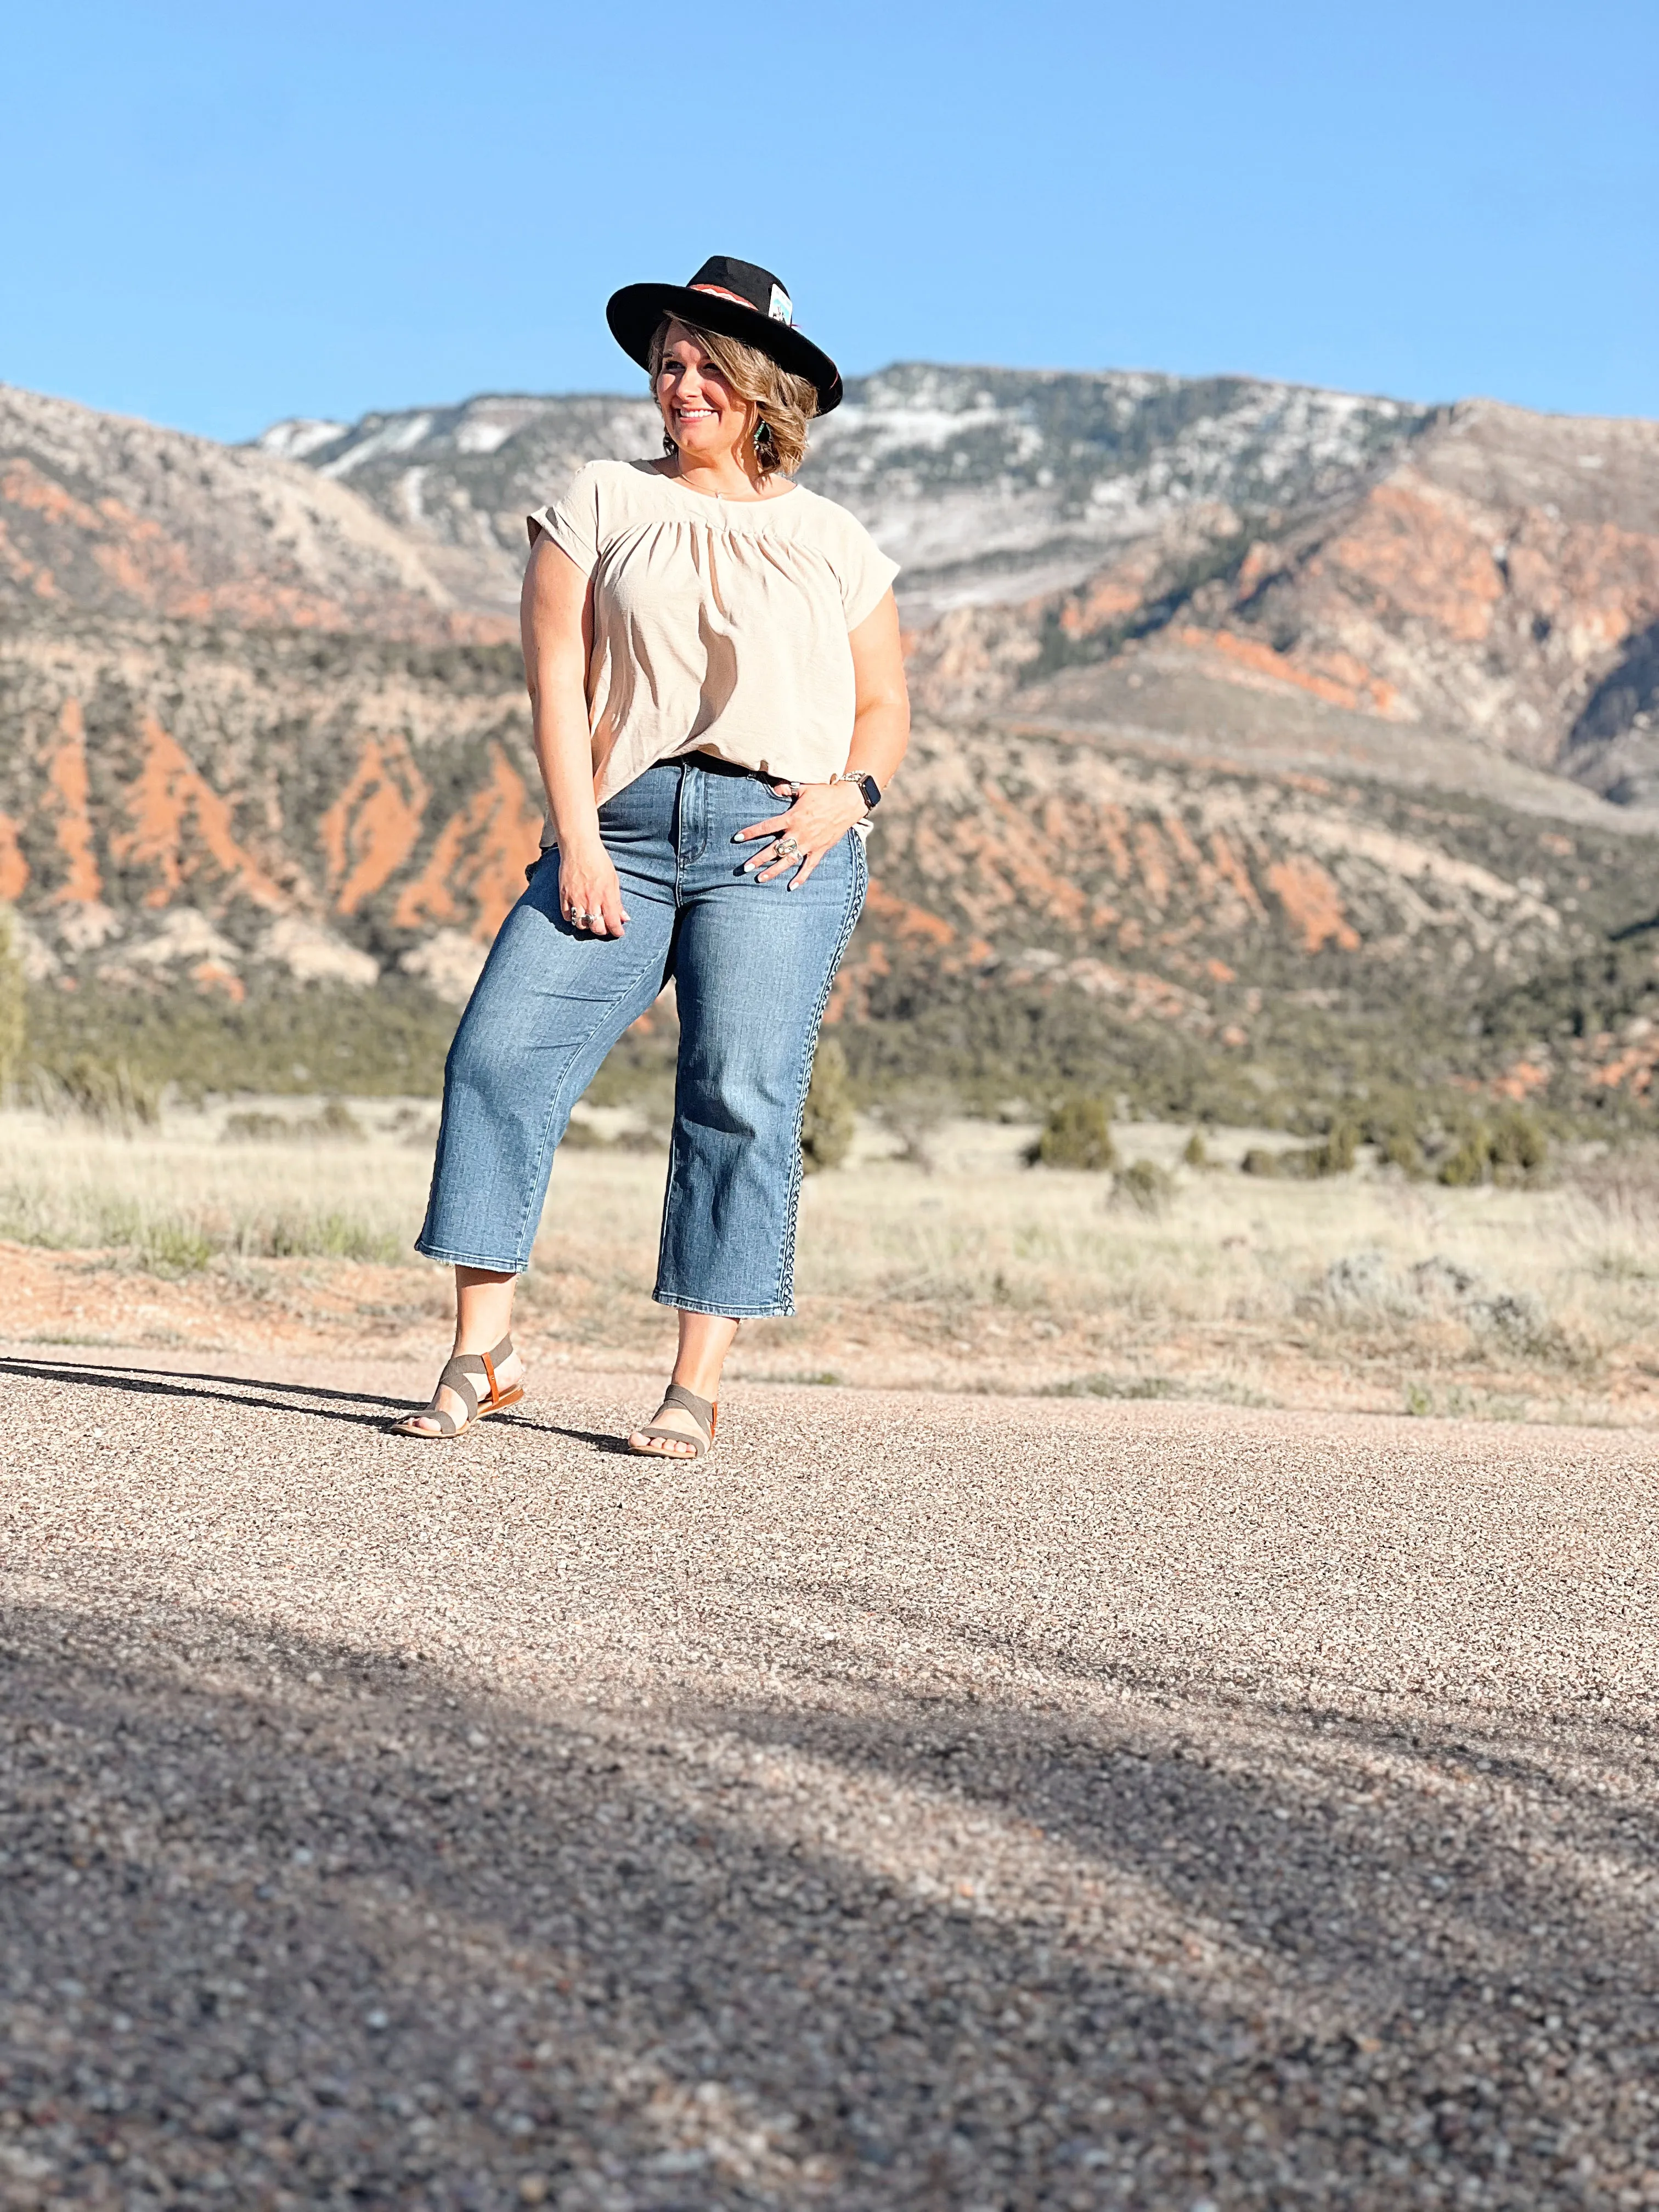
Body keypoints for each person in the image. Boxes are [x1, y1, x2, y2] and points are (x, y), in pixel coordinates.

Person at [395, 256, 910, 1458]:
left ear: (762, 386)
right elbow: (556, 685)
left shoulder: (836, 540)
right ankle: (484, 1351)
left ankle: (695, 1381)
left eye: (705, 366)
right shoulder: (599, 502)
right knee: (497, 1059)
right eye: (667, 363)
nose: (680, 384)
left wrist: (853, 795)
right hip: (620, 826)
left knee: (737, 1098)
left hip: (779, 838)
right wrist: (576, 837)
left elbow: (883, 704)